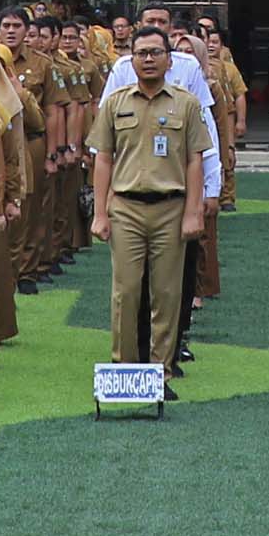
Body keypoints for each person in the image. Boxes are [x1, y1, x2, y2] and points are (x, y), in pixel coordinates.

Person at [89, 25, 210, 386]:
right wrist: (99, 213)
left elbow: (194, 160)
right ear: (131, 59)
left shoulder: (185, 103)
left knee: (168, 294)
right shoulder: (115, 102)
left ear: (169, 60)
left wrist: (193, 210)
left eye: (156, 52)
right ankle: (125, 372)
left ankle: (161, 372)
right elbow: (103, 160)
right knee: (126, 292)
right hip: (125, 207)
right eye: (141, 53)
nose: (148, 59)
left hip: (170, 208)